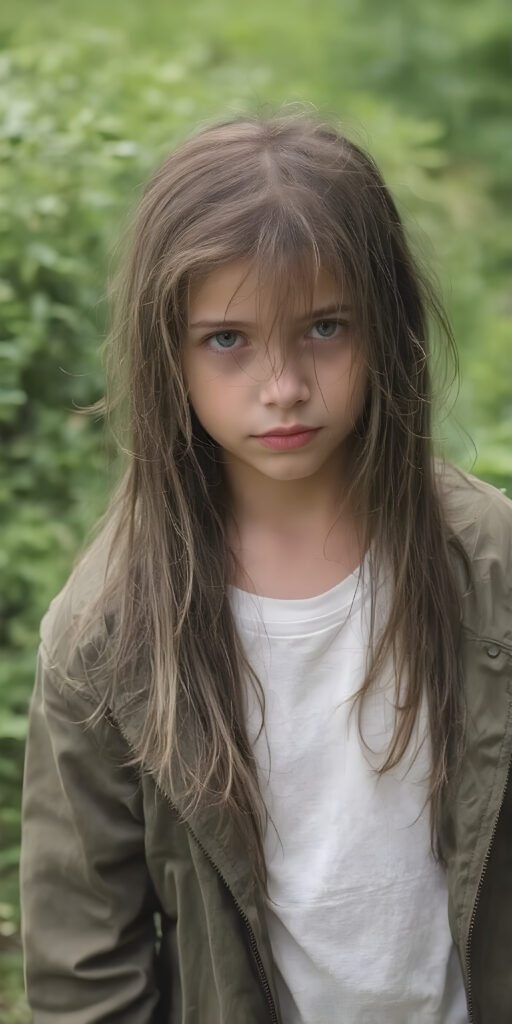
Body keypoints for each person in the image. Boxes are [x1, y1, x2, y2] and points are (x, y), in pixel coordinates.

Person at [19, 107, 512, 1024]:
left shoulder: (493, 565)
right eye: (228, 339)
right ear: (166, 351)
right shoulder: (104, 638)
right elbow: (87, 970)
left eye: (324, 328)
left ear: (387, 325)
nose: (283, 386)